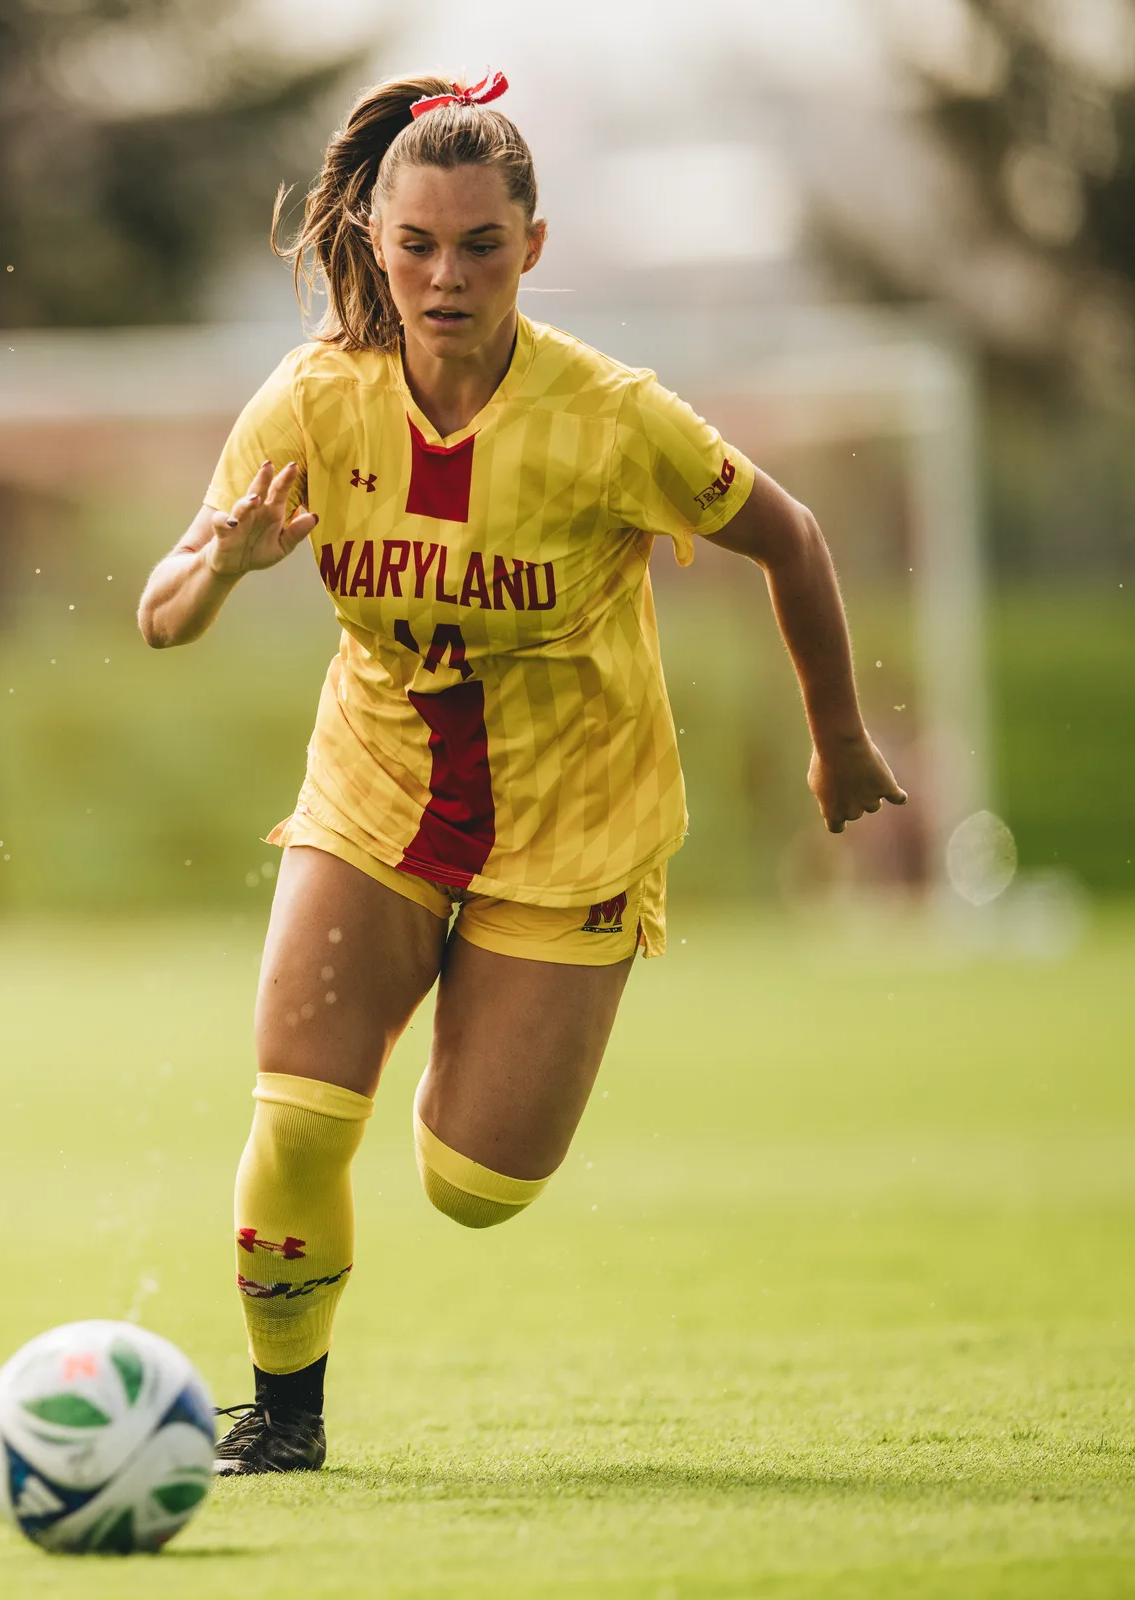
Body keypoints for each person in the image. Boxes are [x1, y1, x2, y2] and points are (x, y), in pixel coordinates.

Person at [134, 72, 907, 1476]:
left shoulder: (612, 418)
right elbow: (159, 611)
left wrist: (840, 736)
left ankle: (479, 1005)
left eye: (479, 244)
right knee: (300, 1117)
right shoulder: (311, 402)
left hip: (575, 823)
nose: (445, 276)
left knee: (477, 1185)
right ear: (376, 242)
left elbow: (792, 539)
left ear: (530, 249)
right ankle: (284, 1419)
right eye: (417, 243)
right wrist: (228, 568)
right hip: (373, 797)